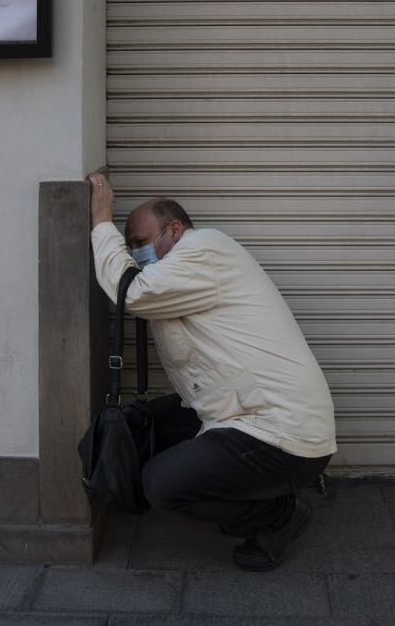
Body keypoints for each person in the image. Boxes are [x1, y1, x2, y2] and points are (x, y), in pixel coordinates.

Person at [87, 172, 337, 571]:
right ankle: (251, 490)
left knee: (160, 484)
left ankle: (277, 514)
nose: (135, 252)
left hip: (283, 433)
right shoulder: (180, 270)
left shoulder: (204, 249)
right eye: (129, 244)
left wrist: (101, 224)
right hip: (235, 412)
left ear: (175, 229)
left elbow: (132, 293)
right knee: (143, 427)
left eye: (140, 241)